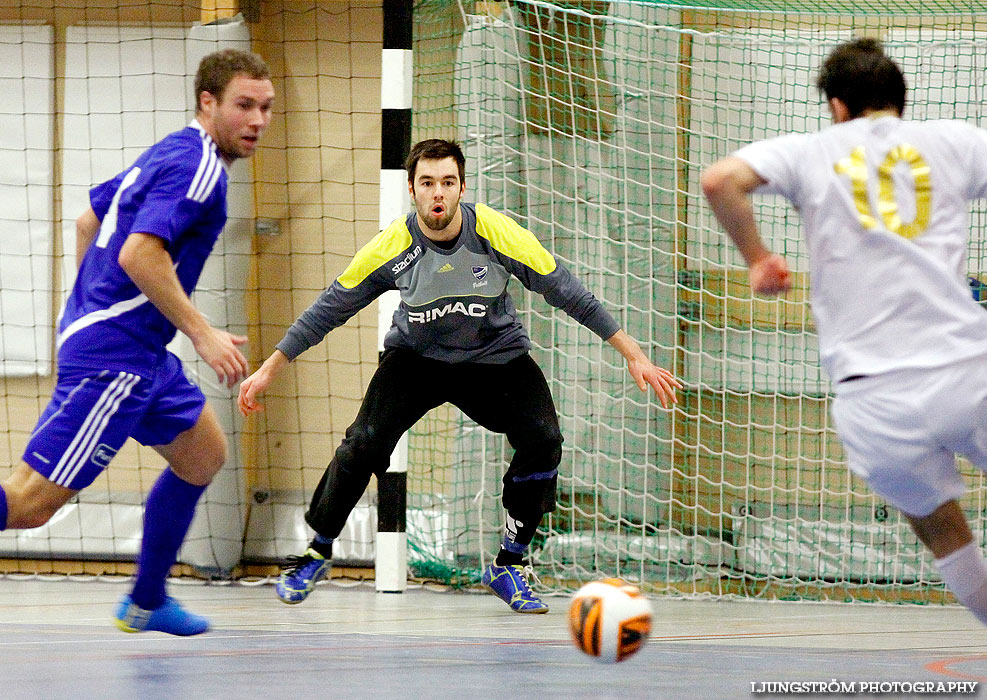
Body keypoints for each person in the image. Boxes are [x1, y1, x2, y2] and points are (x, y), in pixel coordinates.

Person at [238, 138, 680, 612]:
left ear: (462, 187)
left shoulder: (495, 232)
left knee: (544, 437)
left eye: (448, 183)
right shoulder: (393, 246)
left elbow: (567, 291)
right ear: (412, 190)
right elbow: (328, 309)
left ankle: (510, 561)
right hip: (417, 361)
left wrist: (633, 353)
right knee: (363, 441)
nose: (438, 194)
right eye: (427, 183)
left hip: (495, 359)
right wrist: (269, 368)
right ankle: (317, 550)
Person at [702, 37, 987, 623]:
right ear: (900, 101)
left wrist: (756, 257)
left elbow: (718, 180)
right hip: (965, 369)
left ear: (836, 106)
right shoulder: (953, 142)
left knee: (944, 532)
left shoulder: (813, 151)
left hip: (873, 395)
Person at [1, 49, 274, 636]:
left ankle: (146, 601)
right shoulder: (198, 167)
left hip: (137, 350)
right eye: (244, 106)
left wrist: (87, 308)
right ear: (208, 103)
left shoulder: (172, 149)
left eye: (266, 108)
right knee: (29, 505)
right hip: (115, 358)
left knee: (204, 454)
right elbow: (137, 251)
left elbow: (87, 220)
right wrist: (200, 333)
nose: (257, 120)